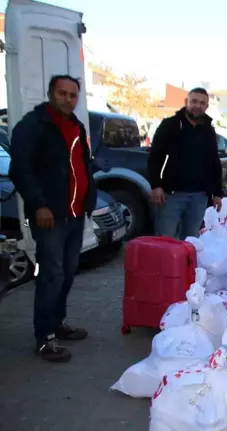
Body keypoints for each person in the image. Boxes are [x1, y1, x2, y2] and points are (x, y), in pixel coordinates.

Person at [9, 75, 99, 362]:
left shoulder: (76, 125)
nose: (68, 99)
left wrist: (89, 198)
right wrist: (39, 205)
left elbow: (82, 165)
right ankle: (44, 338)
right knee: (51, 275)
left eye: (73, 95)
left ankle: (57, 324)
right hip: (50, 216)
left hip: (74, 215)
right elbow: (21, 170)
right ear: (50, 93)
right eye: (62, 93)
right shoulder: (33, 126)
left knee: (68, 272)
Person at [147, 87, 223, 239]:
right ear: (186, 102)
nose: (197, 106)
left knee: (190, 241)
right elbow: (156, 156)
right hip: (172, 195)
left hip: (199, 197)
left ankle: (184, 264)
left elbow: (214, 162)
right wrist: (156, 185)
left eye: (202, 103)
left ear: (206, 107)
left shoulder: (208, 130)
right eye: (194, 101)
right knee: (165, 239)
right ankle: (165, 264)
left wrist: (217, 193)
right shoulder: (170, 125)